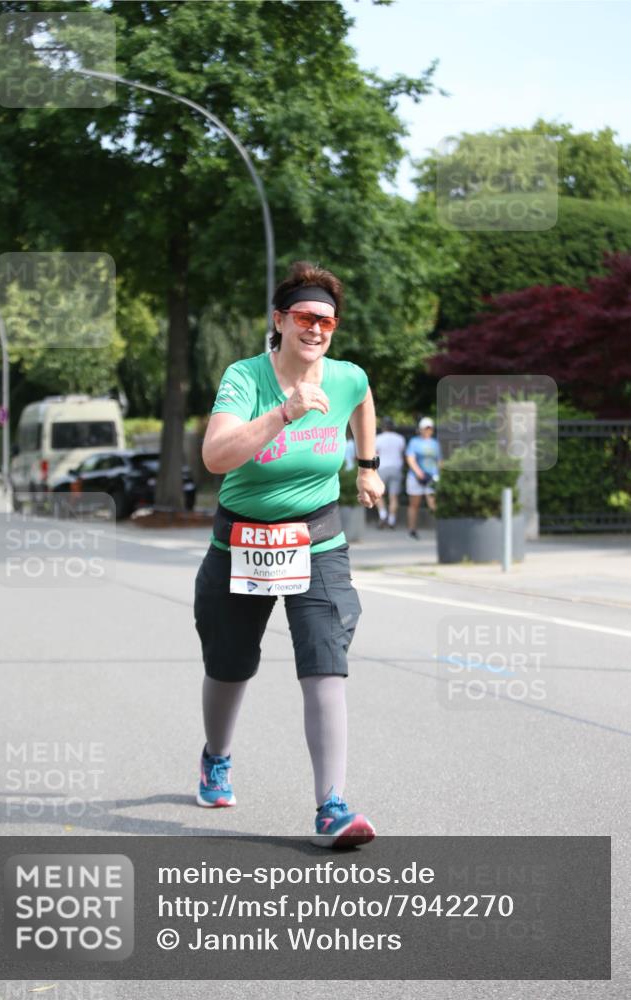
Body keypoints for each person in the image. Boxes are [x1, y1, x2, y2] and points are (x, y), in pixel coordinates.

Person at [194, 260, 385, 848]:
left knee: (325, 659)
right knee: (229, 664)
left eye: (327, 321)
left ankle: (332, 806)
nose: (316, 329)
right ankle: (216, 757)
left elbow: (363, 401)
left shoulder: (346, 376)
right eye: (304, 317)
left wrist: (368, 467)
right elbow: (215, 457)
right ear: (280, 320)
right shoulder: (246, 378)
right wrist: (283, 413)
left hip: (316, 539)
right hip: (241, 539)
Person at [405, 417, 442, 539]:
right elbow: (410, 458)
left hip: (432, 476)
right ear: (420, 429)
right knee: (414, 504)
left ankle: (440, 529)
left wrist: (438, 474)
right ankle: (412, 530)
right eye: (425, 428)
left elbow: (440, 461)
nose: (427, 431)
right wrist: (418, 473)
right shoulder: (414, 442)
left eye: (429, 428)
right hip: (416, 477)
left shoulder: (435, 444)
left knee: (433, 504)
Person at [374, 416, 406, 529]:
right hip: (396, 468)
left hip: (382, 468)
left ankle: (383, 514)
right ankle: (392, 520)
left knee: (378, 494)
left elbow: (374, 454)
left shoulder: (377, 438)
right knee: (394, 497)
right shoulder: (400, 438)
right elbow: (402, 454)